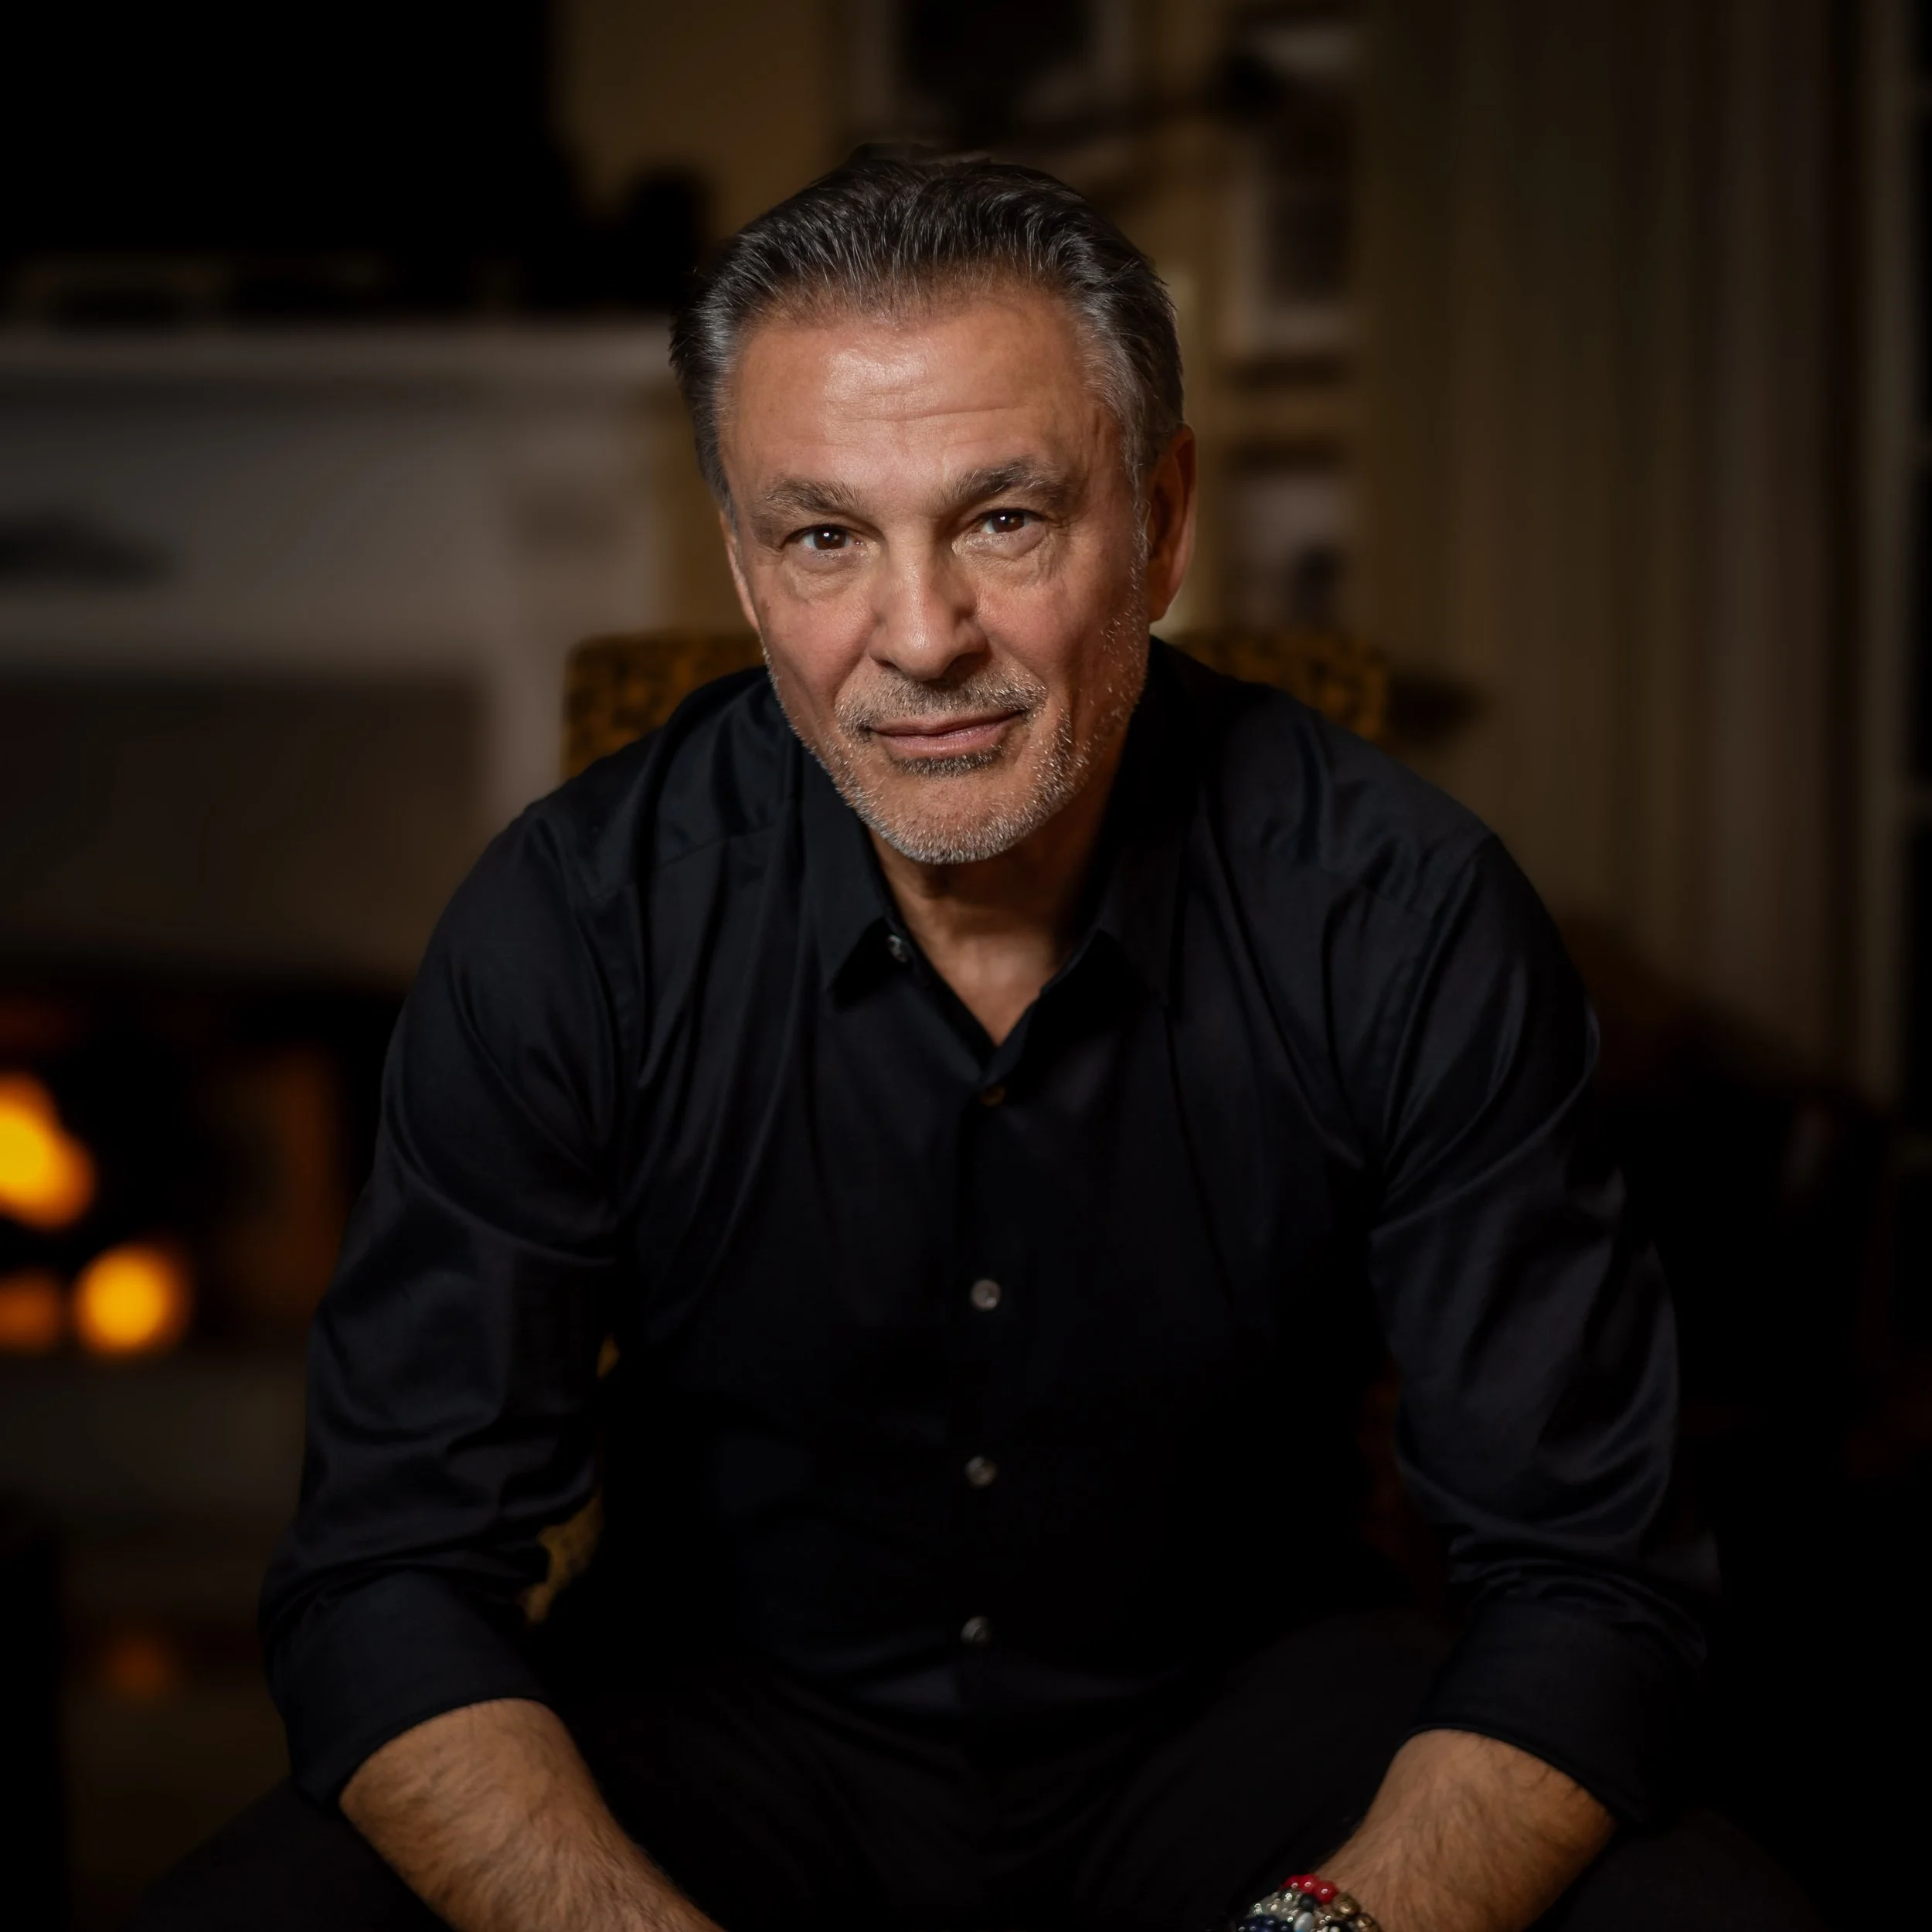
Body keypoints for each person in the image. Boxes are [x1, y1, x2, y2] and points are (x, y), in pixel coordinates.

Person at [139, 156, 1818, 1932]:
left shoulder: (1403, 912)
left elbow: (1589, 1581)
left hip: (1254, 1729)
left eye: (1003, 519)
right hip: (709, 1734)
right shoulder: (568, 925)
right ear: (739, 560)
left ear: (1159, 522)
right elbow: (388, 1568)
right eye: (823, 537)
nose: (920, 637)